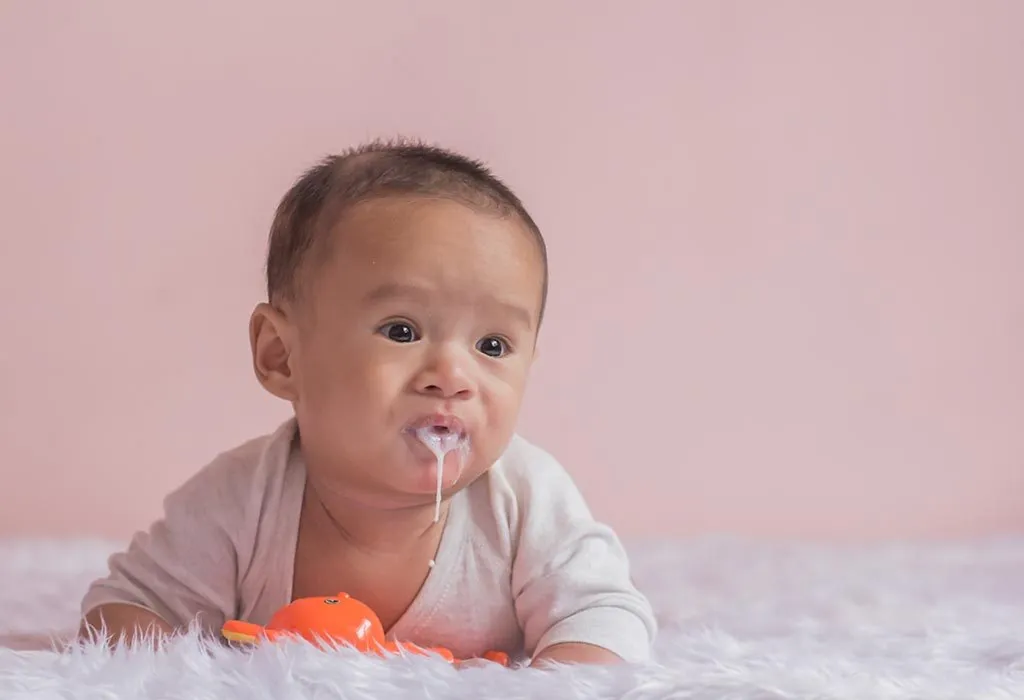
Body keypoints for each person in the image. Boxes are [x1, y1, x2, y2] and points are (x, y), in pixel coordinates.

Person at [79, 139, 656, 666]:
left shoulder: (524, 500)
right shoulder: (241, 500)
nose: (453, 377)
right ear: (282, 356)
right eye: (402, 331)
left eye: (492, 345)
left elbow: (605, 618)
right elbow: (125, 610)